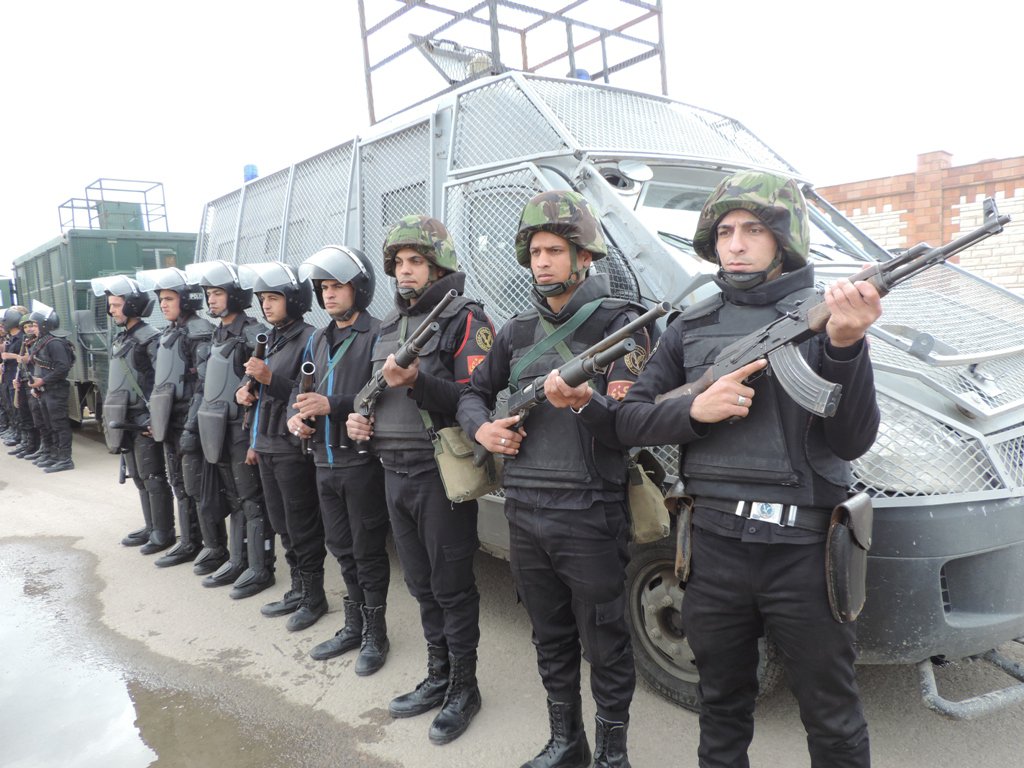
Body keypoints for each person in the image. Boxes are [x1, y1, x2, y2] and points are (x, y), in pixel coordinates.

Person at [616, 169, 882, 768]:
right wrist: (694, 411)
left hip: (804, 552)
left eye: (753, 230)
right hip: (713, 551)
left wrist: (846, 348)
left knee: (833, 718)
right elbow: (627, 420)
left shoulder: (828, 316)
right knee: (720, 708)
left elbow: (853, 440)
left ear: (784, 240)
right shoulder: (690, 327)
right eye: (725, 231)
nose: (735, 244)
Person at [458, 190, 651, 768]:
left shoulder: (623, 326)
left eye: (555, 251)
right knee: (549, 636)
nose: (542, 262)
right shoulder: (516, 332)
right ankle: (567, 742)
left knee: (605, 641)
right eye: (535, 252)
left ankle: (612, 755)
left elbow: (631, 425)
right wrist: (482, 430)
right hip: (525, 509)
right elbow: (471, 393)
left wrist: (584, 403)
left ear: (584, 257)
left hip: (590, 512)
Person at [346, 216, 493, 745]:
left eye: (416, 262)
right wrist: (358, 420)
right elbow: (371, 392)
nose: (405, 271)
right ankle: (438, 675)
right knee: (420, 583)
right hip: (392, 471)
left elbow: (478, 397)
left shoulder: (464, 318)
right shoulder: (389, 324)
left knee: (452, 587)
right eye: (399, 263)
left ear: (439, 266)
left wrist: (419, 381)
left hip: (439, 474)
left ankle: (464, 688)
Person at [287, 246, 391, 673]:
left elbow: (385, 396)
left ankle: (375, 634)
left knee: (367, 551)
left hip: (360, 464)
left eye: (337, 286)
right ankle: (353, 625)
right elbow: (300, 394)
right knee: (341, 548)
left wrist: (332, 404)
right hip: (322, 462)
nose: (328, 295)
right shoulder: (316, 338)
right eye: (323, 288)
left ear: (359, 288)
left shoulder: (378, 334)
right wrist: (297, 419)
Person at [234, 261, 324, 619]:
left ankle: (313, 597)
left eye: (273, 298)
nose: (266, 305)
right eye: (262, 299)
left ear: (294, 299)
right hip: (267, 445)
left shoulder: (311, 338)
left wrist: (269, 377)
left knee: (302, 525)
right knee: (283, 524)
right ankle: (298, 590)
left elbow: (307, 394)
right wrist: (243, 392)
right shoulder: (270, 339)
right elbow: (259, 393)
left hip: (291, 448)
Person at [185, 260, 272, 598]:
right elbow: (204, 386)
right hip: (217, 428)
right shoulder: (217, 334)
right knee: (235, 499)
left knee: (251, 500)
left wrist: (255, 439)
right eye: (209, 294)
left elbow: (263, 390)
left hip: (241, 430)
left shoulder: (252, 333)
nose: (211, 299)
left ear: (235, 295)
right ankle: (238, 560)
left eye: (218, 293)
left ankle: (260, 568)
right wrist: (192, 429)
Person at [135, 268, 215, 568]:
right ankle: (189, 542)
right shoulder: (170, 332)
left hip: (190, 422)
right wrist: (157, 418)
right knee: (179, 486)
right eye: (161, 300)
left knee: (197, 488)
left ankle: (211, 546)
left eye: (169, 298)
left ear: (186, 299)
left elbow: (206, 385)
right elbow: (162, 383)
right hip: (172, 421)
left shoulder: (199, 332)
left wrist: (191, 427)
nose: (163, 304)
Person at [91, 277, 174, 546]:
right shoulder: (123, 337)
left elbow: (163, 383)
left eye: (116, 305)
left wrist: (155, 418)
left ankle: (163, 532)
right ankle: (151, 527)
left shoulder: (150, 339)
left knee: (152, 476)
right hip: (125, 418)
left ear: (133, 306)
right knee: (138, 476)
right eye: (110, 305)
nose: (111, 310)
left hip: (142, 419)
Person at [24, 302, 75, 474]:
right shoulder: (43, 341)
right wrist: (37, 385)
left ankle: (65, 459)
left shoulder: (54, 343)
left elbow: (62, 368)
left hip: (56, 390)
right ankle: (54, 455)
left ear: (45, 325)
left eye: (35, 324)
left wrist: (42, 381)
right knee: (49, 424)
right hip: (46, 390)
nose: (33, 328)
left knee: (59, 424)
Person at [7, 313, 40, 459]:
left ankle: (38, 446)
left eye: (31, 326)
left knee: (38, 418)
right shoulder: (26, 341)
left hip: (36, 382)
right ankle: (29, 444)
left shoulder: (42, 342)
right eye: (25, 327)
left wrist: (20, 357)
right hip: (24, 380)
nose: (29, 329)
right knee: (24, 413)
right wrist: (18, 379)